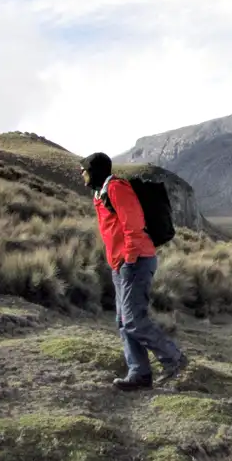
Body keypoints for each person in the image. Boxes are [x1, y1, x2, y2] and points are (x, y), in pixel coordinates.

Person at [80, 152, 188, 391]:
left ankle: (173, 358)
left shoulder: (116, 188)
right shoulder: (100, 194)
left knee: (133, 320)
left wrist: (129, 256)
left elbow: (134, 223)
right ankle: (139, 373)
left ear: (94, 170)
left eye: (84, 170)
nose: (81, 175)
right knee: (123, 321)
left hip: (136, 260)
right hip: (121, 264)